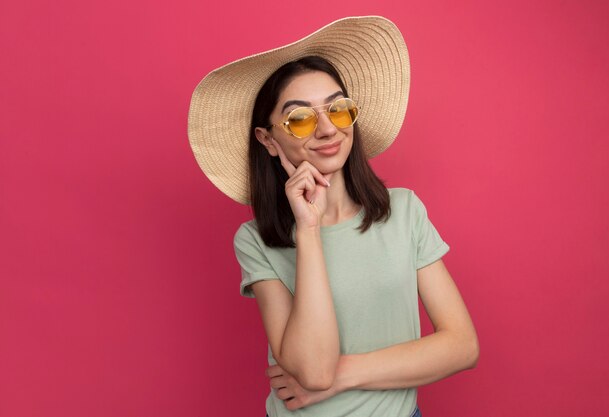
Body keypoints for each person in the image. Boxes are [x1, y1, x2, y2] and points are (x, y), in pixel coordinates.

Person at [188, 16, 479, 417]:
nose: (327, 129)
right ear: (269, 140)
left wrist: (343, 375)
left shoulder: (404, 212)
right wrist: (308, 229)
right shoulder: (255, 240)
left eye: (338, 110)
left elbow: (462, 346)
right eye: (301, 118)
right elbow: (312, 370)